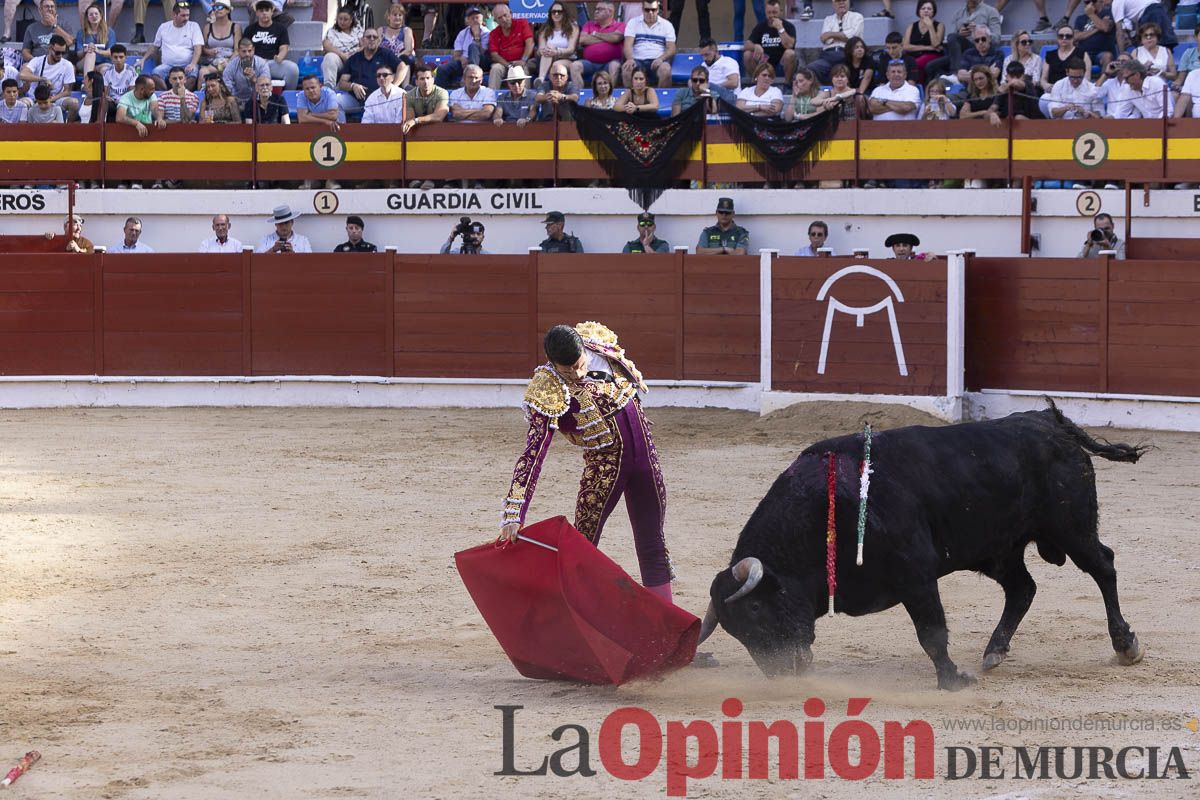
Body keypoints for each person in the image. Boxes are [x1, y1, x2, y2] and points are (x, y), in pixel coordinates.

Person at [498, 322, 675, 605]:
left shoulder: (600, 346)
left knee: (653, 541)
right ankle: (566, 618)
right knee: (583, 546)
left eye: (579, 365)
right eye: (567, 371)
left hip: (645, 456)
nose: (577, 374)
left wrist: (634, 414)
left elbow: (630, 389)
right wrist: (514, 512)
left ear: (583, 348)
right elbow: (533, 454)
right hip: (605, 469)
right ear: (552, 364)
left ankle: (668, 626)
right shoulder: (547, 388)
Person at [337, 28, 400, 116]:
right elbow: (342, 83)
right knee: (335, 102)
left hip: (381, 100)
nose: (372, 39)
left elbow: (403, 67)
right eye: (368, 37)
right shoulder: (354, 59)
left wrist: (394, 86)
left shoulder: (386, 54)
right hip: (356, 101)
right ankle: (340, 129)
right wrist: (353, 86)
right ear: (362, 40)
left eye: (375, 37)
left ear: (378, 41)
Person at [19, 34, 78, 121]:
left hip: (55, 99)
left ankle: (68, 129)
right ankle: (25, 131)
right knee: (23, 103)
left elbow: (67, 91)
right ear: (50, 48)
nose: (60, 55)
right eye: (58, 52)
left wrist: (50, 100)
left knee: (74, 103)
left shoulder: (67, 65)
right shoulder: (37, 61)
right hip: (35, 98)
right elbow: (22, 75)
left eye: (63, 53)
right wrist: (43, 79)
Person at [147, 2, 204, 90]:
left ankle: (182, 97)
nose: (186, 18)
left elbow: (198, 48)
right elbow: (155, 46)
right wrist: (143, 59)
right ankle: (168, 96)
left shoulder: (194, 26)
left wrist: (193, 64)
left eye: (188, 15)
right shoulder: (164, 27)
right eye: (183, 15)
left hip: (187, 65)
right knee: (155, 74)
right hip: (168, 65)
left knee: (192, 75)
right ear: (174, 15)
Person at [621, 0, 675, 89]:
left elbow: (672, 48)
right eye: (647, 10)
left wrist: (661, 59)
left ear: (658, 10)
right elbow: (627, 45)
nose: (650, 12)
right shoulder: (633, 22)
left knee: (666, 69)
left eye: (653, 10)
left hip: (657, 61)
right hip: (637, 61)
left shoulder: (667, 25)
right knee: (627, 69)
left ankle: (660, 100)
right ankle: (631, 99)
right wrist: (630, 59)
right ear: (642, 9)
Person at [808, 0, 865, 84]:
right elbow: (825, 39)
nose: (841, 3)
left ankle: (835, 90)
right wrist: (843, 35)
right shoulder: (828, 19)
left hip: (847, 54)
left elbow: (852, 38)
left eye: (844, 0)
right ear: (833, 3)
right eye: (838, 1)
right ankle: (827, 91)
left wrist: (831, 34)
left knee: (843, 70)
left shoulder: (857, 17)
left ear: (849, 2)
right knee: (811, 68)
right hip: (827, 55)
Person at [245, 0, 297, 90]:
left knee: (293, 69)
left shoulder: (281, 29)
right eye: (261, 11)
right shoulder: (250, 29)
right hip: (255, 63)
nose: (264, 13)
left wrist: (280, 57)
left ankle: (287, 97)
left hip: (273, 62)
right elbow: (244, 49)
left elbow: (284, 47)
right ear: (256, 13)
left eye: (267, 10)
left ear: (272, 12)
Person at [743, 0, 796, 85]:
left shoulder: (788, 26)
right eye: (769, 12)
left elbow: (789, 45)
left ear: (781, 12)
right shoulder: (760, 26)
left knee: (790, 54)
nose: (772, 15)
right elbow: (746, 45)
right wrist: (755, 46)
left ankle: (787, 84)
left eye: (775, 12)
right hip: (764, 62)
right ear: (765, 12)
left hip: (781, 64)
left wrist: (780, 29)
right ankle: (757, 83)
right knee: (747, 54)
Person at [572, 0, 622, 88]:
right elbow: (582, 40)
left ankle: (610, 97)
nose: (596, 11)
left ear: (610, 12)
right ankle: (578, 97)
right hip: (590, 63)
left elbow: (616, 38)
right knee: (574, 66)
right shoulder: (588, 25)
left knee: (614, 66)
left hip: (610, 63)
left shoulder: (620, 25)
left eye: (600, 9)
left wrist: (595, 34)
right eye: (596, 9)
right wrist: (608, 38)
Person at [438, 4, 489, 89]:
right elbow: (456, 54)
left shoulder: (487, 33)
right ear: (467, 21)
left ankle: (470, 74)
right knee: (442, 69)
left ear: (482, 19)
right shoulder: (462, 33)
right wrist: (461, 59)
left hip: (481, 62)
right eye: (472, 18)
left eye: (477, 17)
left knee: (473, 46)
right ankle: (441, 96)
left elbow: (483, 52)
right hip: (464, 62)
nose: (475, 20)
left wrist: (477, 37)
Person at [487, 3, 535, 90]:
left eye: (505, 15)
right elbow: (494, 55)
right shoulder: (493, 33)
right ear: (495, 21)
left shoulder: (522, 23)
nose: (504, 19)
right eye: (500, 18)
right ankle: (491, 100)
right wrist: (508, 65)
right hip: (505, 63)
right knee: (495, 68)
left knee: (522, 69)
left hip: (524, 60)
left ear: (511, 13)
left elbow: (530, 43)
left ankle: (526, 100)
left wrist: (523, 60)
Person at [1041, 24, 1093, 94]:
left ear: (1073, 38)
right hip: (1053, 91)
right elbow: (1043, 78)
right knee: (1043, 102)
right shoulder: (1050, 55)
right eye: (1061, 36)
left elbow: (1087, 78)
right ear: (1057, 38)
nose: (1064, 38)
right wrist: (1048, 86)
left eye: (1068, 36)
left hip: (1075, 91)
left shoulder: (1082, 53)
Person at [534, 2, 578, 83]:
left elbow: (571, 49)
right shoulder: (545, 29)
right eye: (553, 12)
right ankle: (540, 79)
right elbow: (540, 49)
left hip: (566, 58)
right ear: (550, 14)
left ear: (564, 13)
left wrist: (556, 51)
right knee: (548, 48)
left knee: (556, 65)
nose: (556, 14)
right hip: (546, 58)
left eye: (559, 12)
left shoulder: (573, 27)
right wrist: (544, 51)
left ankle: (542, 79)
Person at [903, 0, 945, 84]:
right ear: (919, 11)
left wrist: (930, 26)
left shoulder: (940, 25)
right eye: (923, 8)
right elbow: (905, 46)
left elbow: (936, 43)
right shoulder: (911, 26)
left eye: (929, 9)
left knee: (916, 64)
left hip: (932, 55)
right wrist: (928, 47)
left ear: (933, 11)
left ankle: (918, 88)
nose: (926, 11)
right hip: (913, 55)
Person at [321, 6, 363, 89]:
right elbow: (326, 45)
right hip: (340, 60)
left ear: (351, 20)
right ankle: (329, 87)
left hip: (355, 60)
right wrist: (342, 55)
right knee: (329, 57)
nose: (342, 22)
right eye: (340, 19)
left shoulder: (358, 30)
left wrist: (354, 55)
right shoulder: (331, 31)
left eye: (345, 19)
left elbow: (364, 46)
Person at [402, 62, 448, 134]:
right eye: (422, 79)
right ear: (416, 82)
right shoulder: (409, 95)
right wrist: (414, 121)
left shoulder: (442, 93)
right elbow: (410, 120)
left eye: (428, 78)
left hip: (440, 132)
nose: (426, 82)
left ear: (433, 80)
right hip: (418, 133)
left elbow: (439, 116)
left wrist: (416, 120)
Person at [223, 37, 271, 106]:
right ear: (239, 51)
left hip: (258, 100)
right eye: (244, 51)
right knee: (229, 100)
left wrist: (254, 80)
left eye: (249, 51)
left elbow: (266, 86)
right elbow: (227, 87)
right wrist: (235, 99)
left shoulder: (262, 64)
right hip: (238, 101)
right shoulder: (231, 66)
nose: (247, 54)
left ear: (253, 50)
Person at [1074, 0, 1118, 74]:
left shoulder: (1108, 13)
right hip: (1084, 53)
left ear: (1101, 2)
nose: (1090, 4)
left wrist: (1091, 14)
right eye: (1087, 2)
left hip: (1102, 53)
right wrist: (1097, 29)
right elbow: (1075, 37)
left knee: (1107, 56)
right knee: (1072, 58)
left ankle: (1103, 83)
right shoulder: (1080, 18)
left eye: (1093, 1)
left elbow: (1105, 28)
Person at [201, 0, 240, 82]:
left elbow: (237, 50)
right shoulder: (207, 27)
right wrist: (208, 51)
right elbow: (202, 48)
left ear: (228, 10)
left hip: (230, 60)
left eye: (220, 7)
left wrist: (228, 62)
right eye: (214, 7)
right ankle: (201, 94)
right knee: (202, 72)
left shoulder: (236, 27)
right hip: (212, 62)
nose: (217, 10)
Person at [378, 2, 416, 87]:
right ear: (388, 16)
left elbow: (409, 49)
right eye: (395, 14)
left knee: (405, 59)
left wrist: (395, 57)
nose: (397, 17)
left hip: (401, 58)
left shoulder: (406, 30)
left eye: (400, 15)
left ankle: (405, 86)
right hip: (384, 60)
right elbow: (376, 47)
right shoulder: (381, 30)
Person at [75, 2, 114, 76]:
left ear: (101, 16)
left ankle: (103, 87)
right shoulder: (81, 32)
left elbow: (111, 52)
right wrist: (86, 50)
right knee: (91, 54)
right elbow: (78, 55)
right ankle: (87, 84)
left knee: (105, 70)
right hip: (84, 63)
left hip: (103, 64)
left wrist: (98, 50)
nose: (94, 16)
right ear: (87, 18)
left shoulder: (109, 32)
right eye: (91, 14)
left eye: (96, 14)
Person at [104, 45, 138, 118]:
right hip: (112, 102)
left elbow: (132, 92)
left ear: (126, 58)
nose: (118, 60)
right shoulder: (107, 72)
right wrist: (107, 97)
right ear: (111, 58)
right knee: (106, 104)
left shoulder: (131, 71)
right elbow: (105, 93)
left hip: (126, 101)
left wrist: (121, 101)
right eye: (115, 57)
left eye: (121, 57)